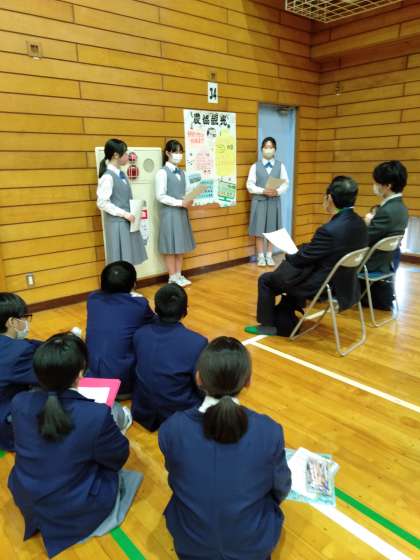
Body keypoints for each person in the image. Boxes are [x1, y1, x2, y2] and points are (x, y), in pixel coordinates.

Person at [8, 333, 142, 559]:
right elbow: (117, 458)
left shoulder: (20, 402)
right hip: (72, 506)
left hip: (25, 492)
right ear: (80, 373)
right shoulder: (96, 415)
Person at [159, 336, 291, 560]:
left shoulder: (172, 428)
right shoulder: (269, 431)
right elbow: (281, 488)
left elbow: (175, 476)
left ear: (199, 378)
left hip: (190, 545)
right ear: (248, 381)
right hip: (252, 548)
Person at [246, 176, 368, 336]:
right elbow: (320, 251)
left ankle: (267, 325)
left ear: (330, 198)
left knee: (266, 280)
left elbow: (301, 259)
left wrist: (290, 253)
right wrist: (304, 250)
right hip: (344, 282)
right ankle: (286, 316)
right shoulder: (360, 223)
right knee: (292, 273)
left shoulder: (329, 230)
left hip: (321, 286)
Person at [132, 283, 207, 431]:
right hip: (178, 415)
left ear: (156, 309)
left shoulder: (140, 334)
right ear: (185, 311)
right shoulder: (197, 342)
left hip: (143, 411)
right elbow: (201, 385)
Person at [86, 261, 154, 398]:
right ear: (133, 284)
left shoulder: (92, 299)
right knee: (152, 335)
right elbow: (154, 322)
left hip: (90, 379)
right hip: (122, 386)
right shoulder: (139, 304)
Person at [362, 161, 409, 309]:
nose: (375, 186)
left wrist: (367, 223)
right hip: (386, 261)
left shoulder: (387, 211)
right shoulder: (402, 208)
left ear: (388, 185)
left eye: (377, 183)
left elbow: (365, 239)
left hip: (373, 262)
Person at [0, 293, 41, 451]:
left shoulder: (13, 346)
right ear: (11, 322)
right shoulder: (18, 352)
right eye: (24, 318)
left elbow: (28, 343)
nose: (26, 322)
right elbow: (46, 374)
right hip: (6, 426)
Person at [97, 138, 147, 266]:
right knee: (120, 261)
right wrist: (124, 214)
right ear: (115, 155)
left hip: (128, 222)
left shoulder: (122, 174)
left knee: (129, 258)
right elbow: (102, 203)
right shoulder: (107, 177)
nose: (127, 156)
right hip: (117, 225)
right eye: (125, 153)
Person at [155, 139, 196, 287]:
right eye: (175, 151)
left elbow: (187, 191)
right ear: (167, 153)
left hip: (181, 213)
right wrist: (180, 202)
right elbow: (160, 196)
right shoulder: (162, 173)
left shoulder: (183, 173)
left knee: (180, 245)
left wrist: (190, 198)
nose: (178, 155)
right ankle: (172, 277)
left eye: (180, 152)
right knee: (170, 247)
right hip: (169, 213)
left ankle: (179, 274)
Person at [247, 137, 289, 267]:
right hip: (259, 201)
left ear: (275, 149)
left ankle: (269, 256)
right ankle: (260, 256)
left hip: (273, 201)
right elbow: (249, 185)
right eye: (266, 147)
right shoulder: (255, 166)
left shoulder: (280, 166)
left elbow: (286, 184)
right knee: (259, 230)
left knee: (273, 230)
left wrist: (277, 191)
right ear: (262, 149)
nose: (268, 149)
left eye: (271, 147)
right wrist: (262, 190)